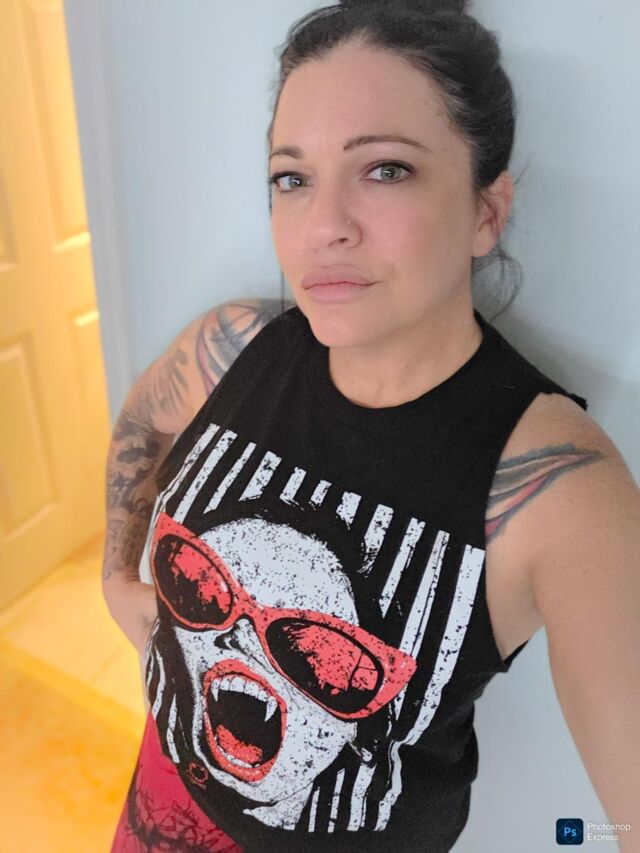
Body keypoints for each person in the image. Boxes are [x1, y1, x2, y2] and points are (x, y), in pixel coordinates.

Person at [103, 1, 640, 851]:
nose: (324, 226)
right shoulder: (232, 347)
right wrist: (115, 573)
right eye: (293, 178)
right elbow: (142, 420)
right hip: (158, 807)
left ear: (486, 211)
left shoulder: (557, 488)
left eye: (386, 169)